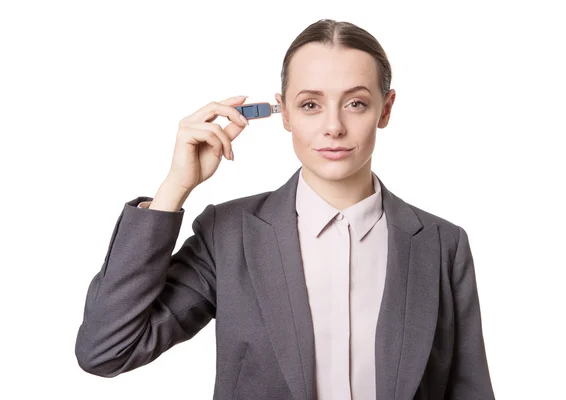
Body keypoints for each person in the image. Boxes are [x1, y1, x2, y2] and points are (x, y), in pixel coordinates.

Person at [75, 18, 495, 400]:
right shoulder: (230, 234)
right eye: (311, 104)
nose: (333, 126)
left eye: (356, 103)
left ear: (385, 109)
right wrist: (174, 188)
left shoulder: (442, 244)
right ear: (284, 113)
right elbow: (107, 349)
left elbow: (470, 388)